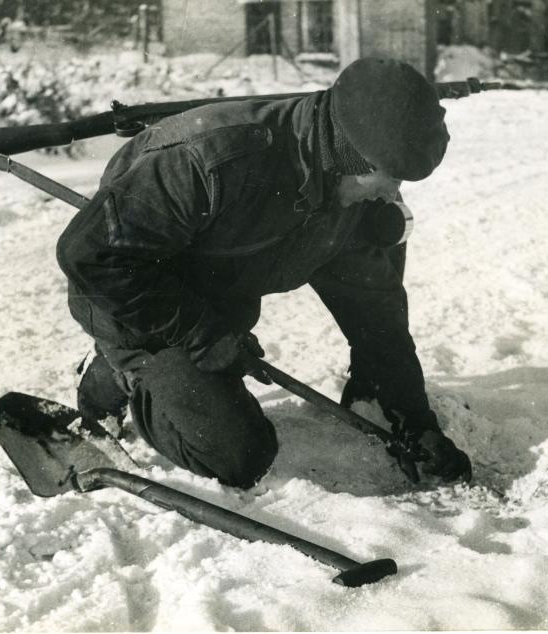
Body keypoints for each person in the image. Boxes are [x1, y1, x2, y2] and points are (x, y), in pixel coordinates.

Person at [56, 57, 472, 489]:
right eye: (390, 178)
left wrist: (414, 421)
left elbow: (377, 315)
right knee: (238, 457)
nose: (392, 193)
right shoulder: (211, 160)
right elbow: (90, 257)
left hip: (216, 304)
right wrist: (202, 334)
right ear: (355, 156)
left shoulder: (345, 200)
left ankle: (172, 368)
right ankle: (119, 369)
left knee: (386, 248)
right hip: (132, 301)